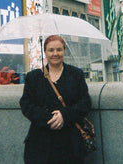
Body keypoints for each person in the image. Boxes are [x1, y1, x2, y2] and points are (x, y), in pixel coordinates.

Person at [20, 35, 92, 164]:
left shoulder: (76, 74)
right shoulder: (34, 77)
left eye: (59, 50)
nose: (55, 54)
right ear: (45, 52)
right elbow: (26, 105)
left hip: (70, 142)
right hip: (40, 144)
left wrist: (64, 116)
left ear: (64, 51)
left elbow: (85, 102)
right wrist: (49, 118)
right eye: (51, 50)